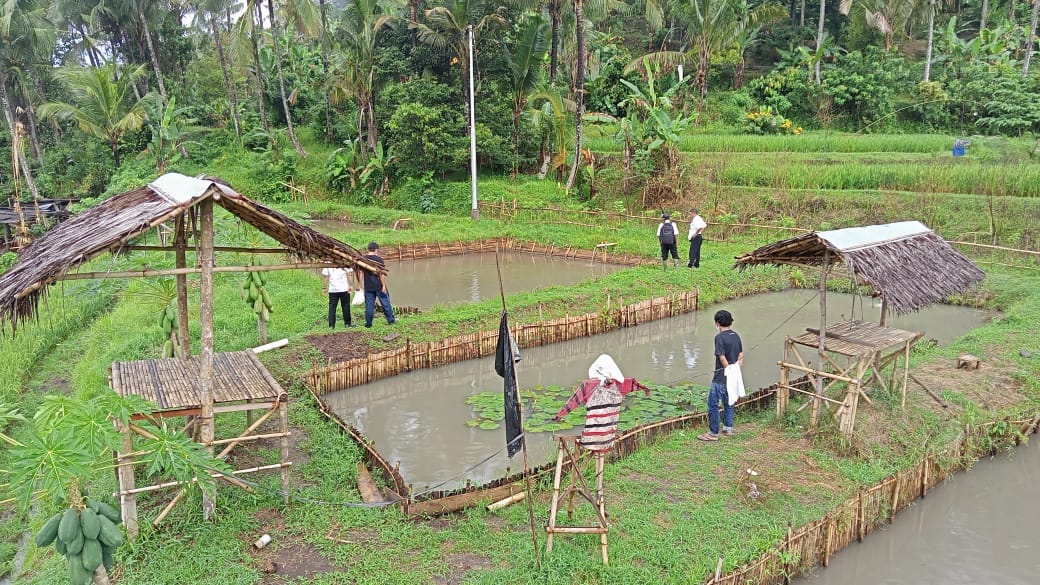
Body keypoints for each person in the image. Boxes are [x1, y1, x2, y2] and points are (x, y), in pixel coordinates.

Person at [552, 354, 650, 451]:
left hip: (590, 440)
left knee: (585, 438)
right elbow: (633, 383)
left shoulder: (588, 385)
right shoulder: (621, 385)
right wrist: (646, 389)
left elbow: (574, 401)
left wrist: (559, 415)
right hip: (608, 439)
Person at [699, 310, 744, 442]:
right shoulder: (736, 335)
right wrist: (735, 369)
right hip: (733, 377)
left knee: (713, 404)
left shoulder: (719, 337)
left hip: (720, 377)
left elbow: (721, 356)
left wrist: (728, 369)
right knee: (729, 402)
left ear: (717, 323)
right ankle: (727, 428)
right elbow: (741, 356)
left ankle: (713, 433)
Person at [356, 242, 396, 327]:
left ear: (368, 249)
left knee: (369, 306)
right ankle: (391, 320)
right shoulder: (379, 260)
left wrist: (359, 284)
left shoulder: (363, 259)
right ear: (376, 250)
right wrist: (384, 285)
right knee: (385, 303)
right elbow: (381, 274)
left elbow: (360, 273)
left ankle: (369, 323)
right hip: (379, 286)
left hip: (368, 287)